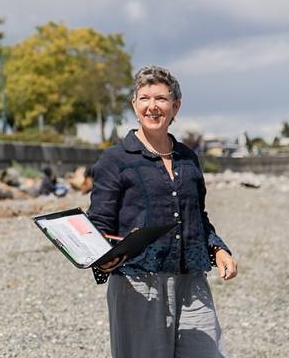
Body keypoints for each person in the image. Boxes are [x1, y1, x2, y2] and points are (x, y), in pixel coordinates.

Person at [87, 65, 237, 358]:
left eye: (161, 99)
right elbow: (98, 223)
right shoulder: (114, 159)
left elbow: (197, 216)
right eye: (144, 98)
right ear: (134, 105)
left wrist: (218, 248)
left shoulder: (187, 158)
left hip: (192, 281)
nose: (152, 106)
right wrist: (102, 259)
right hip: (138, 285)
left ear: (175, 106)